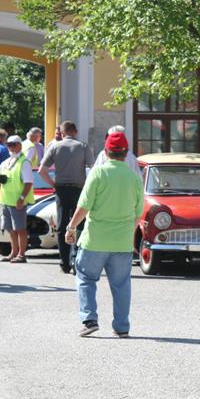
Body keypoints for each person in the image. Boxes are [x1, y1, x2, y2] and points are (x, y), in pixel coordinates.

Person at [67, 131, 144, 338]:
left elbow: (83, 207)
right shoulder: (134, 178)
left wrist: (71, 227)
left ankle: (90, 319)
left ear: (106, 151)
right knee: (121, 284)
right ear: (126, 153)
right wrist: (129, 232)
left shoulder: (98, 173)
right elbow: (138, 213)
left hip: (95, 239)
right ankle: (121, 327)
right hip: (122, 242)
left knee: (85, 278)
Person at [39, 120, 94, 272]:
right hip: (79, 189)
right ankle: (76, 258)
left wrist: (53, 184)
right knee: (79, 224)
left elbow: (41, 170)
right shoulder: (82, 146)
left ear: (62, 133)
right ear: (75, 132)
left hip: (61, 189)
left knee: (62, 226)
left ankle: (64, 262)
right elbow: (93, 168)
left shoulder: (54, 146)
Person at [0, 135, 35, 263]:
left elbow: (28, 183)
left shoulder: (24, 162)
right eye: (8, 145)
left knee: (20, 228)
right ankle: (14, 252)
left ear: (19, 145)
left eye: (13, 144)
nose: (10, 147)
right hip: (6, 200)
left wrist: (22, 198)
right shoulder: (7, 162)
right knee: (10, 229)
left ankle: (22, 255)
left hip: (17, 201)